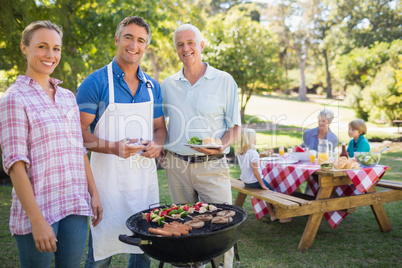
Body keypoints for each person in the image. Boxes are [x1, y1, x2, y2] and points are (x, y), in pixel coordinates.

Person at [0, 20, 102, 267]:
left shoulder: (67, 97)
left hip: (74, 203)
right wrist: (36, 220)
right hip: (39, 207)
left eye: (56, 48)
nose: (50, 54)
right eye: (42, 46)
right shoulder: (14, 98)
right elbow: (16, 165)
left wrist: (94, 192)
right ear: (25, 48)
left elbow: (79, 150)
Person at [76, 16, 167, 267]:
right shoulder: (95, 83)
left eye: (140, 40)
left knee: (144, 251)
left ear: (145, 46)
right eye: (128, 37)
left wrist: (158, 144)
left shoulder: (152, 87)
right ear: (117, 39)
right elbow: (77, 131)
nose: (133, 45)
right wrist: (114, 148)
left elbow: (160, 128)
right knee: (100, 254)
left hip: (144, 186)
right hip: (105, 187)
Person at [160, 23, 240, 268]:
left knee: (220, 227)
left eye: (190, 42)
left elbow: (234, 126)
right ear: (176, 50)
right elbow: (160, 124)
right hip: (177, 167)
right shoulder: (167, 84)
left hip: (212, 166)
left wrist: (222, 145)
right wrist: (162, 148)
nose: (186, 48)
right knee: (184, 225)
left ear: (201, 45)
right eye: (180, 45)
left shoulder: (224, 80)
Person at [235, 128, 291, 223]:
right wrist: (262, 184)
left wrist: (263, 154)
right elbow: (255, 171)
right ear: (249, 140)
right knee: (272, 194)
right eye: (254, 138)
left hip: (246, 182)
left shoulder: (240, 152)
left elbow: (250, 162)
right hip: (255, 181)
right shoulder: (253, 153)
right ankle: (282, 217)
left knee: (266, 193)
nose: (255, 140)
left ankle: (272, 215)